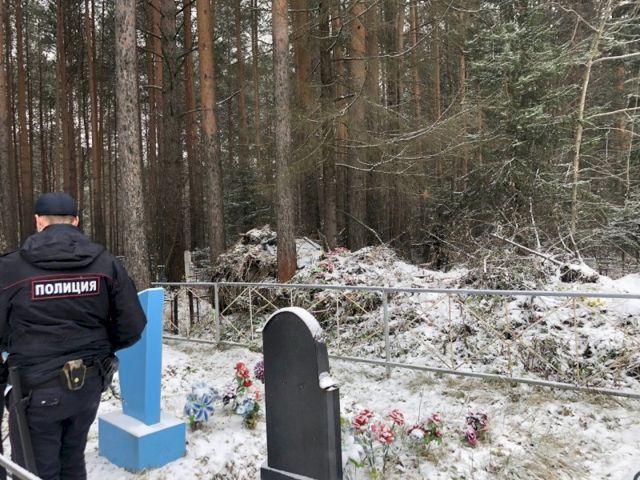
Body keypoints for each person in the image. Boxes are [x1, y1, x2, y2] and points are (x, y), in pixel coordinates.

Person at [0, 192, 147, 480]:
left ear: (38, 221)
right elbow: (132, 326)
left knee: (35, 471)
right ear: (76, 221)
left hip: (35, 391)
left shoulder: (10, 269)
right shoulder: (105, 264)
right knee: (72, 460)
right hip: (87, 386)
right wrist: (97, 348)